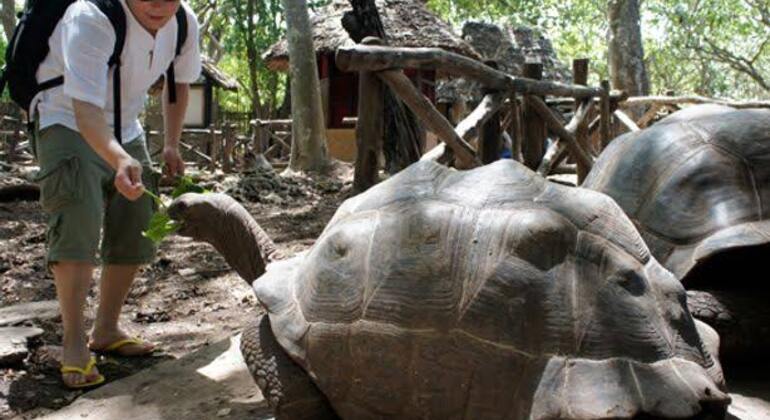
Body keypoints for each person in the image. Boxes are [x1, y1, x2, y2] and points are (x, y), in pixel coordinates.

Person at [33, 0, 201, 388]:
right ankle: (74, 341)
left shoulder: (183, 22)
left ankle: (106, 328)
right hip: (65, 117)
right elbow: (86, 111)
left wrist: (172, 143)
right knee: (78, 215)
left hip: (127, 125)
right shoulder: (90, 17)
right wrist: (118, 158)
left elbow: (178, 85)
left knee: (139, 217)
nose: (159, 4)